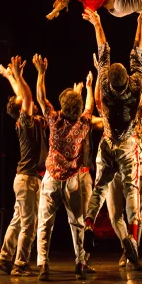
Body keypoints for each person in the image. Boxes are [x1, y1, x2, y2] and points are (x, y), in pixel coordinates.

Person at [81, 6, 142, 270]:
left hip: (108, 142)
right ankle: (133, 239)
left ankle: (89, 223)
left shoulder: (103, 87)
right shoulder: (135, 87)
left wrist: (97, 23)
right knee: (131, 187)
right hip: (127, 144)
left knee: (100, 185)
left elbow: (103, 51)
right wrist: (141, 23)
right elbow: (136, 51)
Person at [33, 53, 94, 281]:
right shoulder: (83, 125)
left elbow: (41, 98)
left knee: (45, 223)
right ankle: (80, 263)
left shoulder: (55, 122)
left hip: (52, 178)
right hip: (72, 181)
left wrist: (41, 73)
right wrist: (88, 87)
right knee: (76, 223)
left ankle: (43, 265)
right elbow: (89, 107)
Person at [0, 57, 49, 276]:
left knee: (18, 220)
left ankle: (4, 257)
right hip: (28, 180)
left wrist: (11, 76)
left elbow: (21, 96)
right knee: (29, 223)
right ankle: (20, 264)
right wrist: (19, 75)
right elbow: (25, 97)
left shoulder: (25, 119)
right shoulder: (26, 122)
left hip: (23, 179)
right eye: (27, 102)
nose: (31, 103)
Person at [60, 82, 104, 273]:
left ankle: (82, 260)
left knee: (80, 220)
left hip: (80, 174)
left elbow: (98, 120)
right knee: (81, 219)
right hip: (80, 174)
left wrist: (83, 90)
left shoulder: (70, 121)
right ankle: (81, 260)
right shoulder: (75, 122)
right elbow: (91, 111)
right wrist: (87, 88)